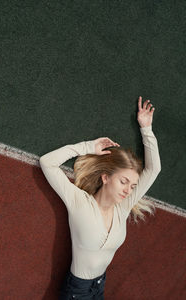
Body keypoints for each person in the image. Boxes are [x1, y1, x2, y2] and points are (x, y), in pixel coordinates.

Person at [39, 96, 161, 299]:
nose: (128, 190)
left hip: (99, 286)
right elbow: (47, 163)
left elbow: (154, 169)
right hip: (78, 291)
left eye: (132, 186)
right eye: (123, 182)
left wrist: (146, 129)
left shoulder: (122, 208)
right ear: (105, 178)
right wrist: (87, 147)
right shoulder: (79, 203)